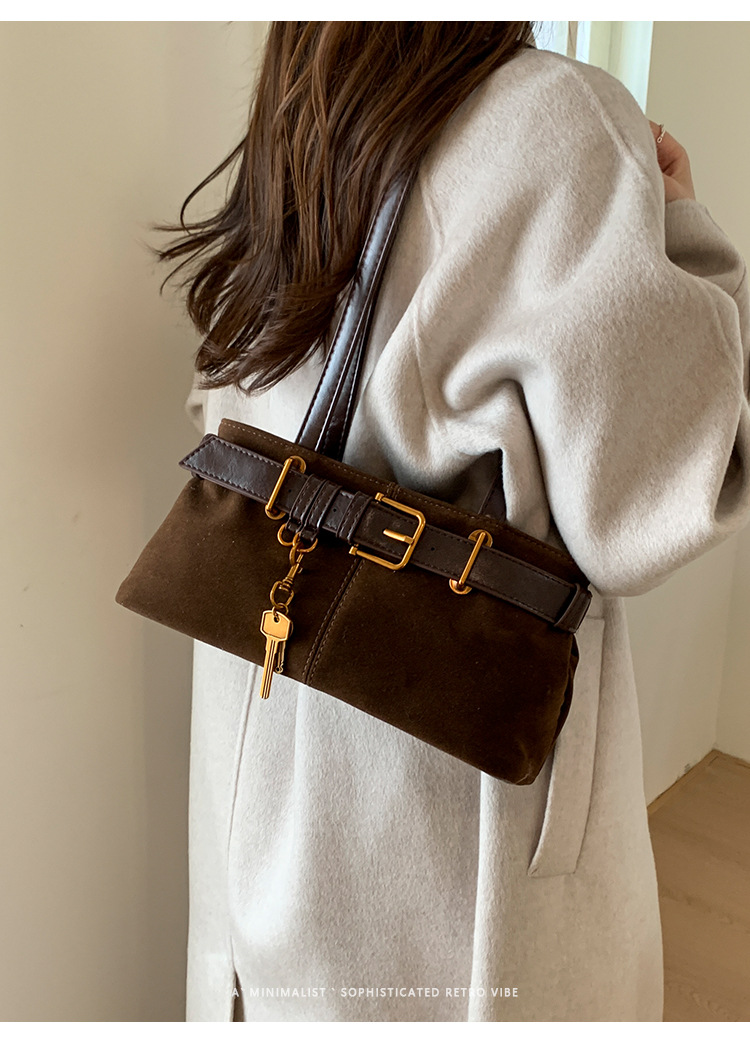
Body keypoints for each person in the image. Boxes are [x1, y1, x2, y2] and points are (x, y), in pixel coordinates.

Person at [162, 23, 750, 1021]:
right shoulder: (558, 115)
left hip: (264, 709)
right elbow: (659, 497)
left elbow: (228, 393)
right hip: (439, 807)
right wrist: (687, 230)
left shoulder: (303, 108)